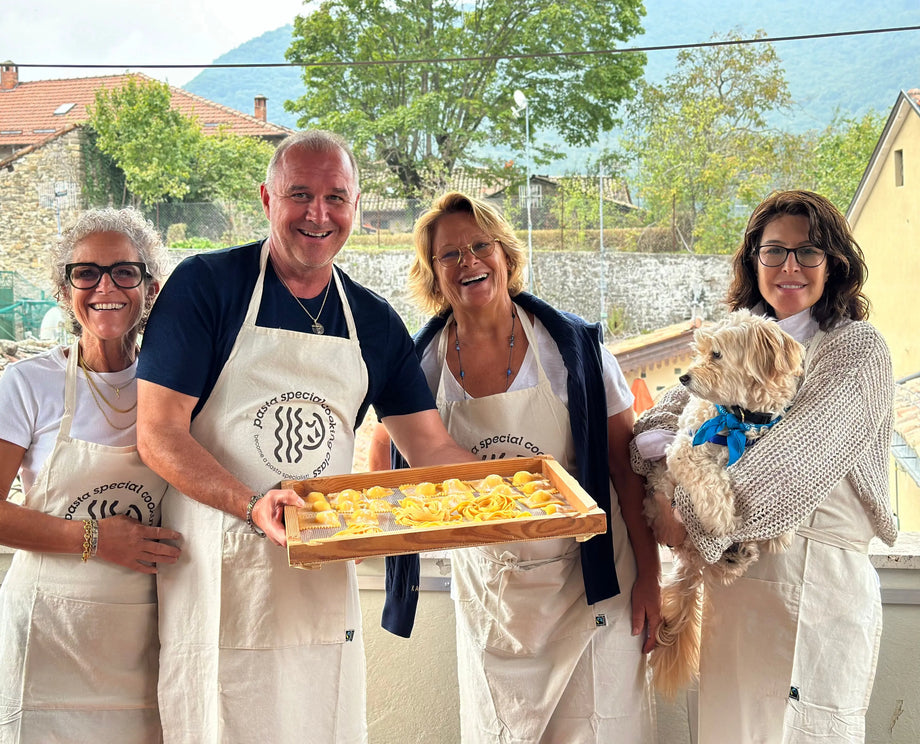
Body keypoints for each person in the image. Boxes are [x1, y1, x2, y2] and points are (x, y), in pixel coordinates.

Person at [135, 130, 474, 744]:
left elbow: (432, 448)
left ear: (356, 207)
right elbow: (157, 435)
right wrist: (250, 503)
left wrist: (520, 489)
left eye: (336, 198)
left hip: (318, 586)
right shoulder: (207, 286)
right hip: (218, 578)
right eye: (300, 195)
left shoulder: (372, 320)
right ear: (267, 199)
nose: (319, 214)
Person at [371, 192, 661, 743]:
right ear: (433, 274)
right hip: (493, 593)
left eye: (481, 246)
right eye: (449, 255)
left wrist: (649, 576)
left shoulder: (570, 349)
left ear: (505, 254)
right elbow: (388, 457)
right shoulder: (423, 363)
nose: (469, 262)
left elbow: (627, 470)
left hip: (592, 586)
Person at [631, 189, 898, 742]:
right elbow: (651, 428)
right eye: (774, 251)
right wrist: (667, 468)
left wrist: (683, 517)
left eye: (808, 252)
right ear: (754, 260)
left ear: (835, 263)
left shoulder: (854, 350)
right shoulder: (734, 338)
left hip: (818, 583)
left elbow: (794, 464)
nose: (790, 267)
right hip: (735, 588)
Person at [0, 207, 182, 742]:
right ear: (65, 288)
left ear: (150, 288)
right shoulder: (28, 383)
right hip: (42, 646)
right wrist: (94, 537)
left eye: (125, 272)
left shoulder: (179, 388)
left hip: (141, 652)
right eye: (86, 273)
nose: (106, 286)